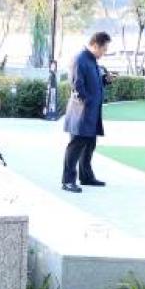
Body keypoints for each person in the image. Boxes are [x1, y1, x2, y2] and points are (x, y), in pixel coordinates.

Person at [61, 32, 113, 193]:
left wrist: (105, 80)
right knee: (76, 146)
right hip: (81, 113)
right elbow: (77, 86)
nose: (104, 53)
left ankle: (86, 177)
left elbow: (93, 82)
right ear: (95, 45)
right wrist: (87, 101)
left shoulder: (92, 61)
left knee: (89, 145)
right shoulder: (80, 59)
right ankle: (68, 181)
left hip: (91, 113)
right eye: (103, 49)